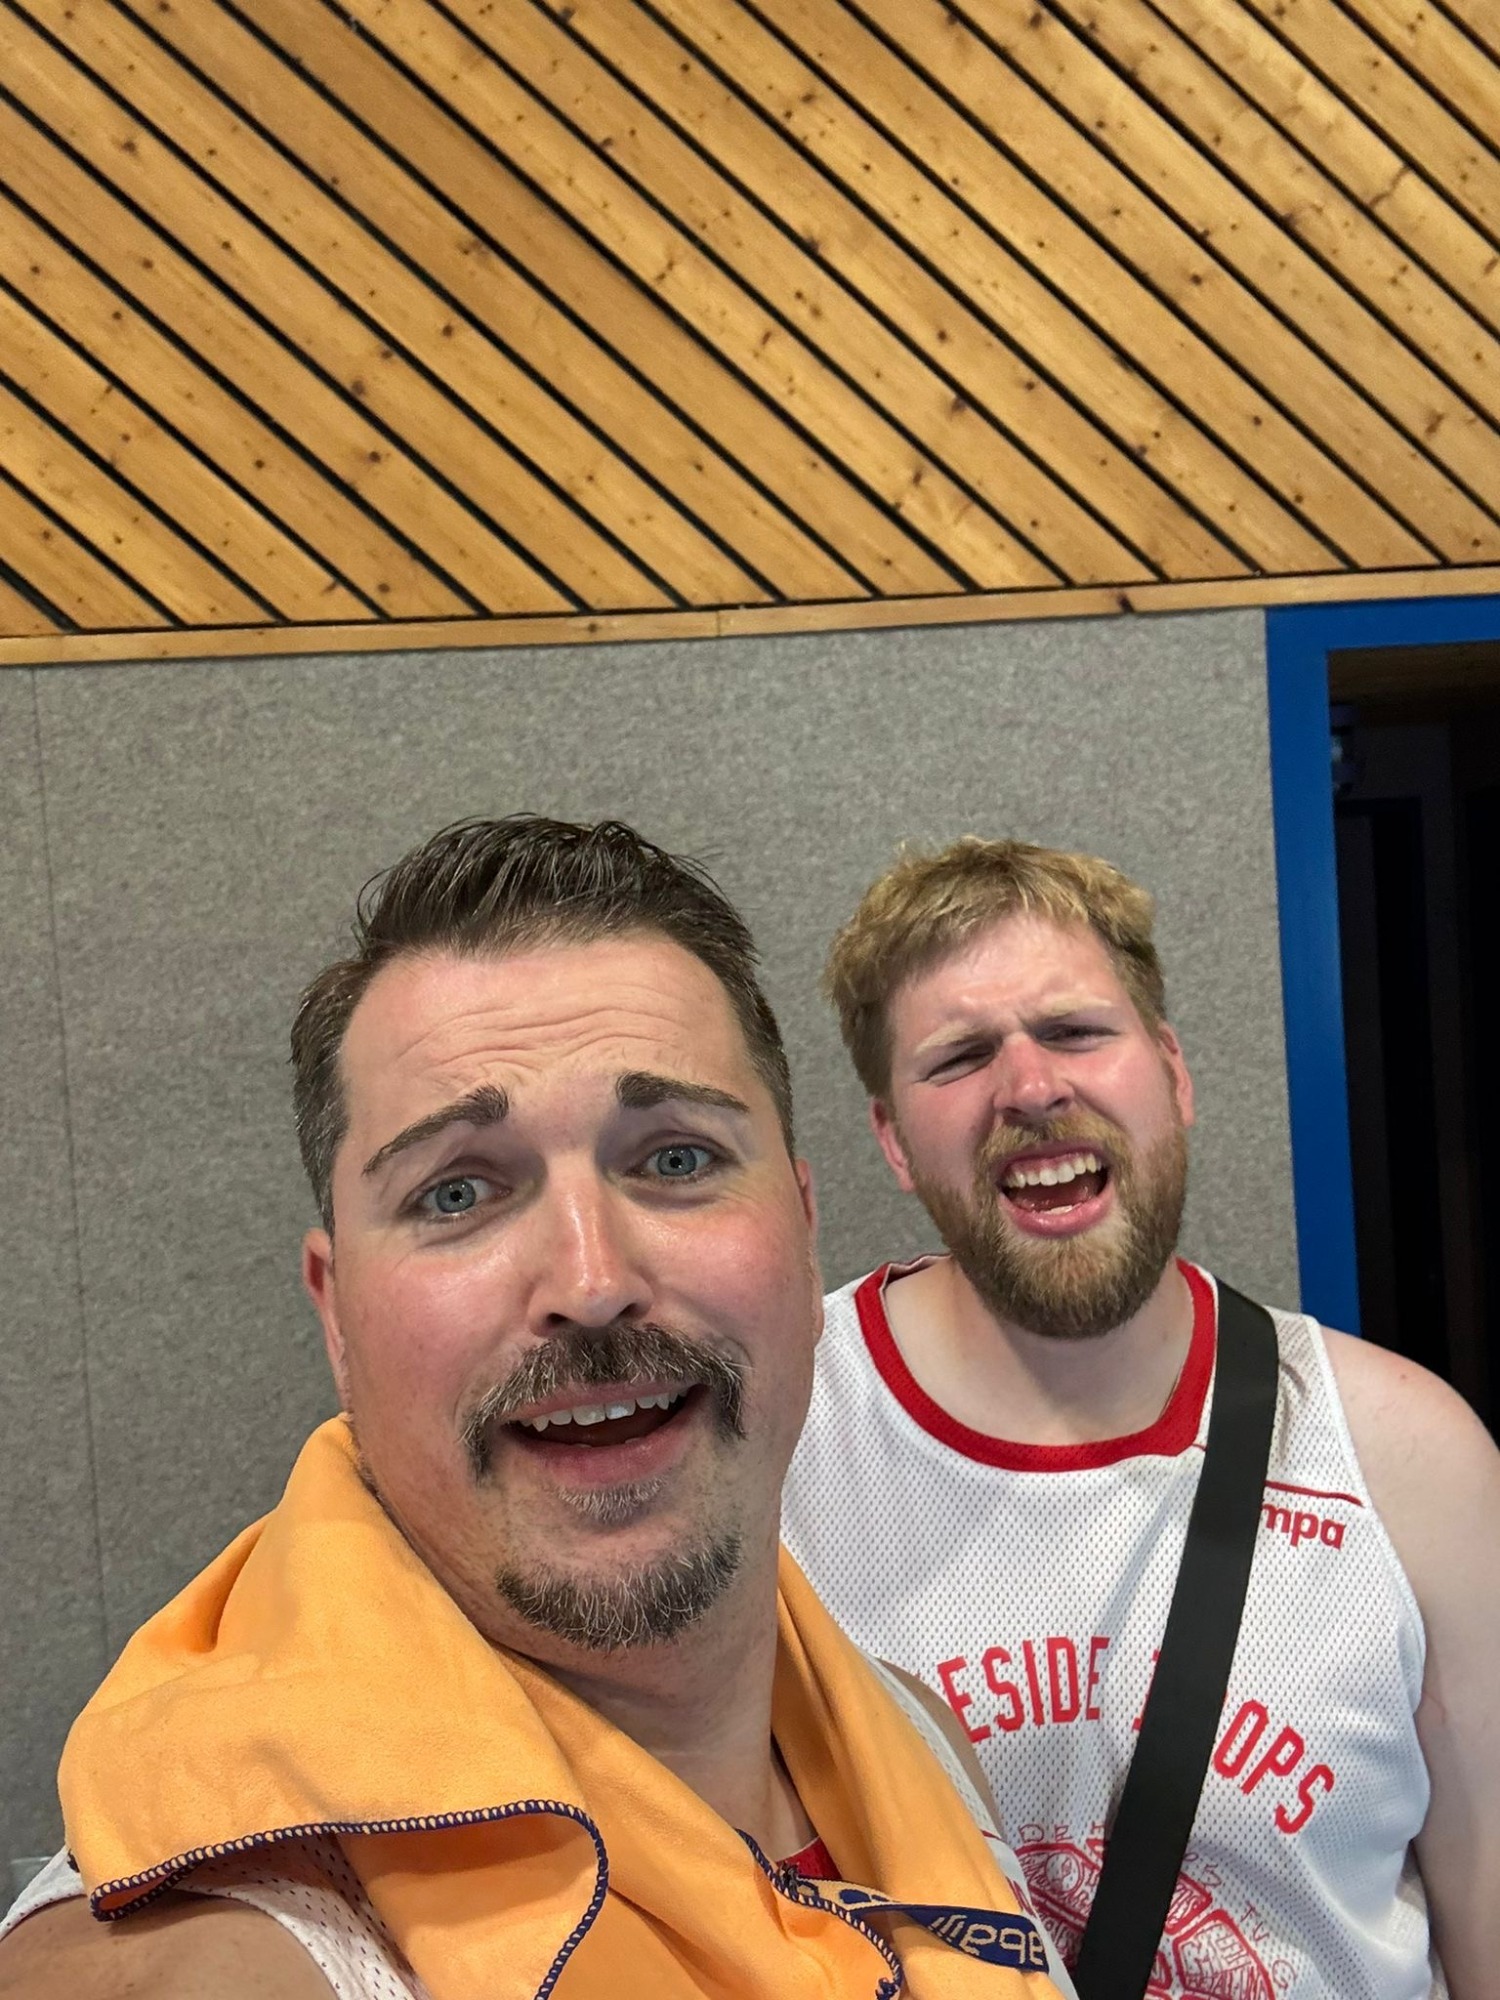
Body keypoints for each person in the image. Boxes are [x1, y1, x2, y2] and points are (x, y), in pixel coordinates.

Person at [0, 818, 1071, 2000]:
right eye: (457, 1190)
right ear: (337, 1314)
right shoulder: (210, 1957)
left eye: (675, 1158)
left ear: (807, 1232)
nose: (591, 1278)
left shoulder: (918, 1741)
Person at [781, 836, 1500, 2000]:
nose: (1030, 1086)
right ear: (893, 1140)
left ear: (1173, 1072)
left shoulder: (1409, 1456)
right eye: (960, 1055)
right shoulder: (780, 1440)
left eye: (1075, 1030)